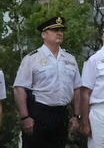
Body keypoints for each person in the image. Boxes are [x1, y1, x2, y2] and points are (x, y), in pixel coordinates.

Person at [15, 15, 82, 148]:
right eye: (54, 30)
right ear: (44, 35)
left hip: (62, 114)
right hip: (39, 114)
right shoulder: (32, 58)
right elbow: (19, 89)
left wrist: (76, 115)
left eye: (61, 30)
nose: (59, 33)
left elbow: (77, 89)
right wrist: (25, 117)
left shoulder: (70, 58)